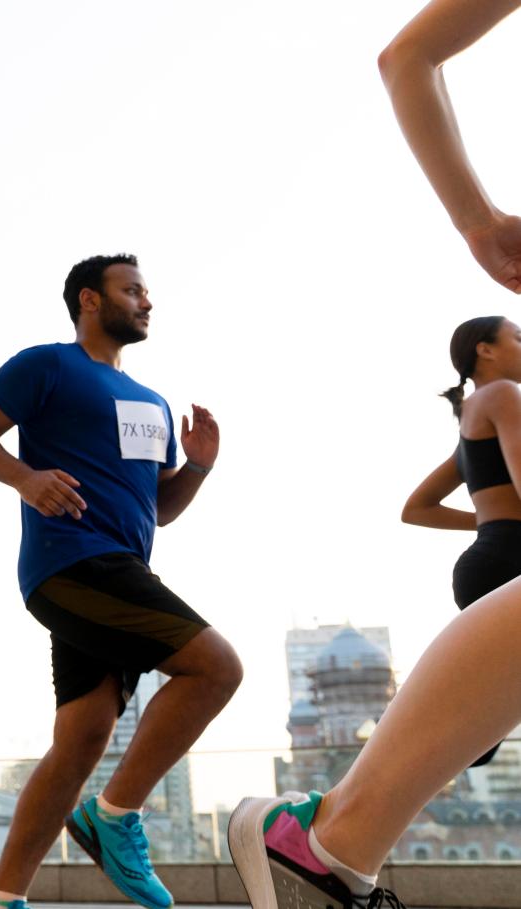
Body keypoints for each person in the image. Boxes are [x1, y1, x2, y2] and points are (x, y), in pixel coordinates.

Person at [225, 4, 521, 907]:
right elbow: (406, 56)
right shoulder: (502, 399)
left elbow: (411, 56)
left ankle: (329, 834)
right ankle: (330, 832)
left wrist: (477, 221)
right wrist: (476, 221)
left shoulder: (487, 400)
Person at [0, 253, 243, 909]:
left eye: (147, 291)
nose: (146, 301)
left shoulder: (153, 403)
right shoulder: (47, 364)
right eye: (132, 289)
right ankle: (115, 815)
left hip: (123, 569)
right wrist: (26, 478)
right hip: (71, 562)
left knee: (81, 739)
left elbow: (159, 507)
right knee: (217, 668)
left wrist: (196, 468)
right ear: (90, 300)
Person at [403, 315, 521, 767]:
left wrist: (489, 521)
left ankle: (404, 745)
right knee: (483, 718)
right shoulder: (501, 394)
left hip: (490, 559)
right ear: (485, 350)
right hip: (510, 560)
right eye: (518, 337)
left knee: (480, 731)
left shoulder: (471, 422)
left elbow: (416, 508)